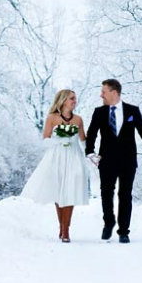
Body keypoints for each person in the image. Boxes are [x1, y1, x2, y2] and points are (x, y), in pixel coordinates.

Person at [85, 79, 142, 244]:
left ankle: (124, 231)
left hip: (128, 161)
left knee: (125, 195)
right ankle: (109, 222)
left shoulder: (132, 111)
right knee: (106, 193)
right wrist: (90, 152)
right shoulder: (99, 112)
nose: (101, 95)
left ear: (114, 92)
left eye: (103, 92)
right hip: (106, 160)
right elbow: (91, 134)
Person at [20, 89, 90, 242]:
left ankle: (66, 231)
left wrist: (91, 154)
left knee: (70, 191)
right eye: (72, 98)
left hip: (74, 157)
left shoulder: (78, 119)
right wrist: (59, 141)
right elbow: (45, 139)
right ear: (63, 100)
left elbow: (84, 140)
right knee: (60, 193)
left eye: (75, 98)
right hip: (56, 157)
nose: (74, 101)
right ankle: (62, 227)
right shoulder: (52, 118)